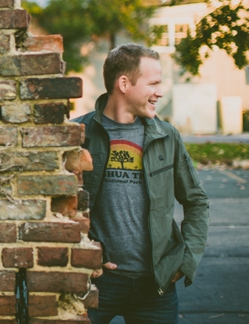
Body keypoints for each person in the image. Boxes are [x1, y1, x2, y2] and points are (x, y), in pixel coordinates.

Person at [72, 44, 209, 324]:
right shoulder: (78, 135)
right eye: (154, 84)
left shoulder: (166, 136)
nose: (160, 92)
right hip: (97, 280)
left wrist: (186, 259)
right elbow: (58, 208)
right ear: (124, 83)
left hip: (155, 287)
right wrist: (82, 252)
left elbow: (196, 201)